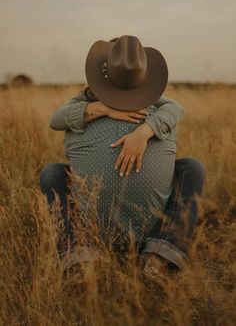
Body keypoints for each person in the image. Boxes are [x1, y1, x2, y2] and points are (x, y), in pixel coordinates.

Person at [40, 35, 205, 273]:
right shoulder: (156, 111)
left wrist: (137, 130)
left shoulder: (78, 114)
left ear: (101, 72)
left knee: (52, 172)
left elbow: (55, 119)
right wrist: (145, 128)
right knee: (192, 167)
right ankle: (162, 252)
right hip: (149, 229)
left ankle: (78, 256)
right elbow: (176, 107)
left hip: (97, 230)